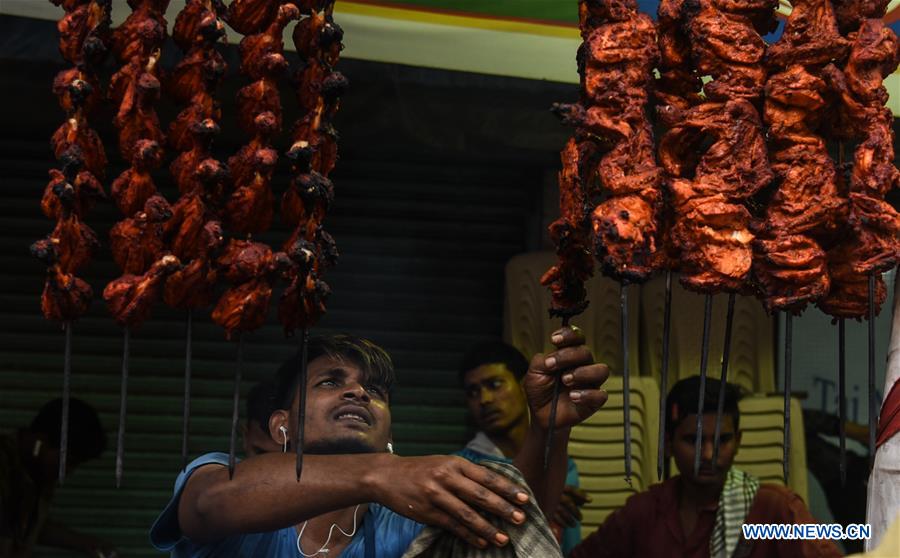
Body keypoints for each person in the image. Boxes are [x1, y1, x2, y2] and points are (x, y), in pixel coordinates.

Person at [151, 328, 609, 557]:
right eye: (330, 381)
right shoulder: (224, 476)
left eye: (376, 390)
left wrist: (548, 428)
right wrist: (382, 473)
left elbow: (505, 528)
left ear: (389, 430)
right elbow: (208, 506)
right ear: (279, 426)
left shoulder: (404, 521)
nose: (358, 393)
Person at [571, 376, 843, 558]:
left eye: (722, 440)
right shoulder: (643, 514)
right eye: (694, 441)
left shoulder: (774, 509)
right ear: (668, 443)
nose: (710, 454)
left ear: (738, 441)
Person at [456, 340, 588, 556]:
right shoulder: (461, 468)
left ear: (524, 385)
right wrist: (537, 498)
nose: (484, 399)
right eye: (473, 392)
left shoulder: (560, 462)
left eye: (495, 385)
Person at [0, 398, 118, 558]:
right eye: (68, 462)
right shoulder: (5, 467)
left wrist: (87, 543)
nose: (67, 472)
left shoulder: (37, 475)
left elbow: (29, 525)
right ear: (40, 442)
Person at [242, 379, 281, 457]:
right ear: (245, 437)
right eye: (261, 455)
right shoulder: (220, 466)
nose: (270, 467)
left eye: (281, 457)